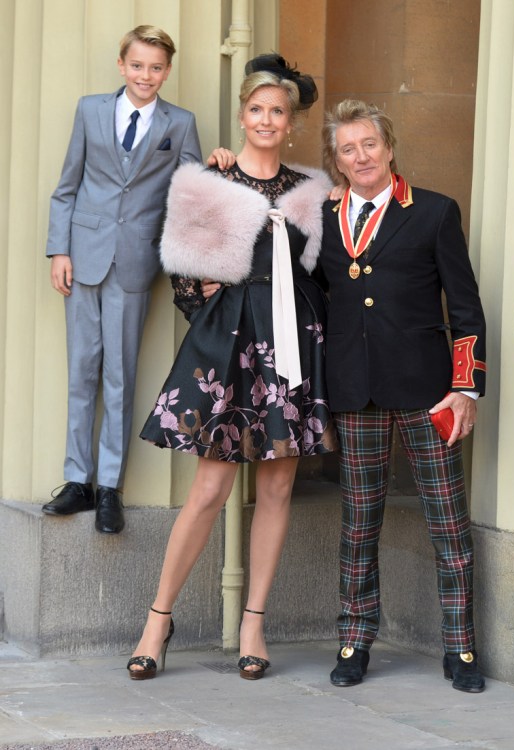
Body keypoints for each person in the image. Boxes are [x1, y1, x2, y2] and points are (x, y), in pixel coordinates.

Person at [127, 54, 337, 682]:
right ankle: (157, 621)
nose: (267, 119)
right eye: (256, 109)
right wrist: (218, 312)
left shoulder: (313, 191)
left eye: (278, 110)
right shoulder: (209, 182)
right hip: (230, 347)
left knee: (277, 487)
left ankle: (253, 623)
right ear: (242, 116)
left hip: (293, 346)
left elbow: (323, 275)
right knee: (211, 489)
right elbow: (186, 276)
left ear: (291, 121)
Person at [318, 99, 487, 693]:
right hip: (354, 391)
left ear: (389, 148)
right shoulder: (322, 216)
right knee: (359, 522)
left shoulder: (434, 212)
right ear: (336, 160)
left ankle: (461, 648)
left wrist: (465, 387)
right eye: (347, 148)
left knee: (448, 523)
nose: (360, 156)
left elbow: (464, 305)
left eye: (369, 144)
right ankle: (354, 639)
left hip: (428, 390)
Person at [42, 25, 202, 534]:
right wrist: (59, 249)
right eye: (137, 66)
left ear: (167, 71)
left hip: (135, 263)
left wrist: (220, 165)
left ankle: (110, 486)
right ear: (121, 65)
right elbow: (66, 187)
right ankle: (76, 481)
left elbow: (190, 193)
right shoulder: (90, 110)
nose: (146, 76)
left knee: (120, 376)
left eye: (156, 68)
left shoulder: (180, 123)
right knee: (82, 369)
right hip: (83, 256)